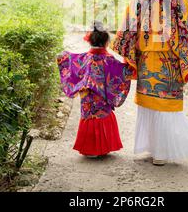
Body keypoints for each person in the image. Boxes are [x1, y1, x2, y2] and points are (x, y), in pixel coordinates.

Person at [111, 0, 188, 165]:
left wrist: (129, 50)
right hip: (170, 61)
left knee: (151, 105)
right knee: (166, 106)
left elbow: (128, 27)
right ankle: (162, 152)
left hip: (146, 60)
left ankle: (154, 149)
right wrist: (186, 57)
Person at [57, 22, 133, 158]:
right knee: (102, 115)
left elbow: (67, 61)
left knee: (89, 115)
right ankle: (104, 147)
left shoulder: (84, 58)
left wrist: (62, 58)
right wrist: (130, 64)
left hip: (87, 96)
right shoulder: (109, 59)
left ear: (90, 40)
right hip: (103, 97)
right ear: (106, 42)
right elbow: (123, 72)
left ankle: (90, 149)